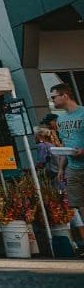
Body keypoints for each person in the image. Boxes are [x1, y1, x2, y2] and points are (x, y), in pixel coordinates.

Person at [50, 83, 84, 219]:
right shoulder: (60, 119)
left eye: (54, 97)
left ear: (65, 96)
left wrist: (82, 151)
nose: (53, 100)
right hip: (73, 169)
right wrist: (61, 169)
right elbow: (65, 144)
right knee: (79, 204)